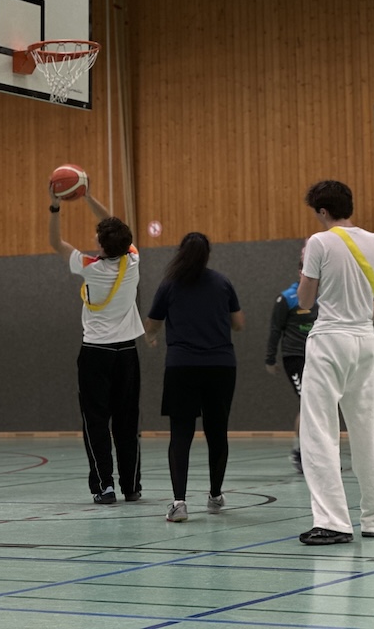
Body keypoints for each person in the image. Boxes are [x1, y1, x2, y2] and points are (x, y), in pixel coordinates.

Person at [297, 180, 374, 546]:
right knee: (364, 430)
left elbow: (304, 301)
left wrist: (305, 268)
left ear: (323, 211)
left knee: (319, 432)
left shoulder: (319, 242)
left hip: (329, 341)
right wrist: (358, 318)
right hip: (364, 340)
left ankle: (333, 521)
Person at [49, 185, 144, 505]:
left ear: (102, 246)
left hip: (96, 353)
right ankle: (131, 486)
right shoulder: (133, 261)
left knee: (96, 421)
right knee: (127, 421)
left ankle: (105, 487)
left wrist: (55, 206)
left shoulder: (90, 266)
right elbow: (118, 227)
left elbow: (56, 243)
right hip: (127, 352)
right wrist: (88, 197)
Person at [144, 232, 244, 522]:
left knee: (180, 433)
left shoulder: (169, 284)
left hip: (181, 367)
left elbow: (151, 324)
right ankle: (215, 495)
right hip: (221, 367)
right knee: (217, 431)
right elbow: (239, 324)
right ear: (207, 254)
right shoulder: (222, 283)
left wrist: (152, 335)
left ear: (180, 252)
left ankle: (179, 503)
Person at [265, 264, 317, 473]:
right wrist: (270, 359)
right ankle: (300, 452)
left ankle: (316, 454)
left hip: (318, 357)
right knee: (307, 403)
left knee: (317, 405)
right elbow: (275, 329)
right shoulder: (287, 297)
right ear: (299, 272)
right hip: (295, 357)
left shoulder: (323, 296)